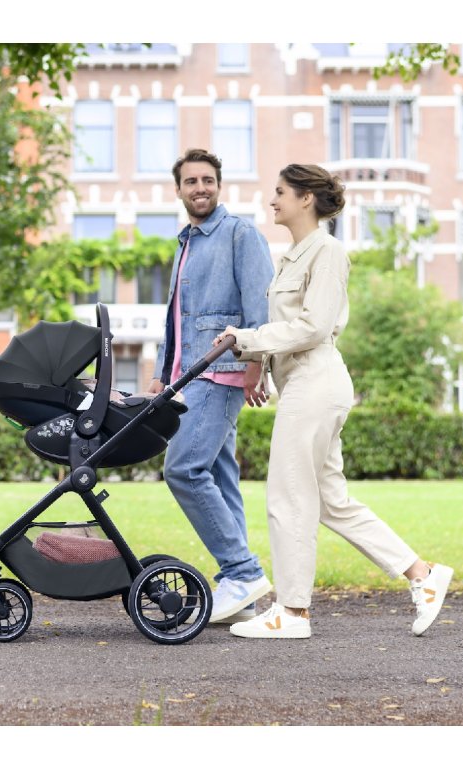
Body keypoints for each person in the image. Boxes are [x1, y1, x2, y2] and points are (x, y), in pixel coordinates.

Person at [214, 163, 453, 639]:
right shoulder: (292, 258)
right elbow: (290, 326)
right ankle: (422, 574)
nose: (272, 200)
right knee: (331, 502)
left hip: (315, 382)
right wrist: (257, 358)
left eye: (280, 192)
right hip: (305, 384)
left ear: (306, 198)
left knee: (288, 495)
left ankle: (292, 612)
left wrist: (248, 339)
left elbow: (313, 326)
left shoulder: (327, 251)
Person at [147, 148, 275, 624]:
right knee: (220, 477)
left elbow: (259, 305)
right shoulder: (186, 241)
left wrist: (255, 364)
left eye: (207, 180)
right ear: (178, 189)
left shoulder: (239, 233)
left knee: (183, 470)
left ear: (219, 185)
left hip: (220, 370)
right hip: (188, 375)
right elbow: (176, 318)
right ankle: (243, 595)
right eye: (191, 181)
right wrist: (162, 373)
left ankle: (242, 572)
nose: (200, 188)